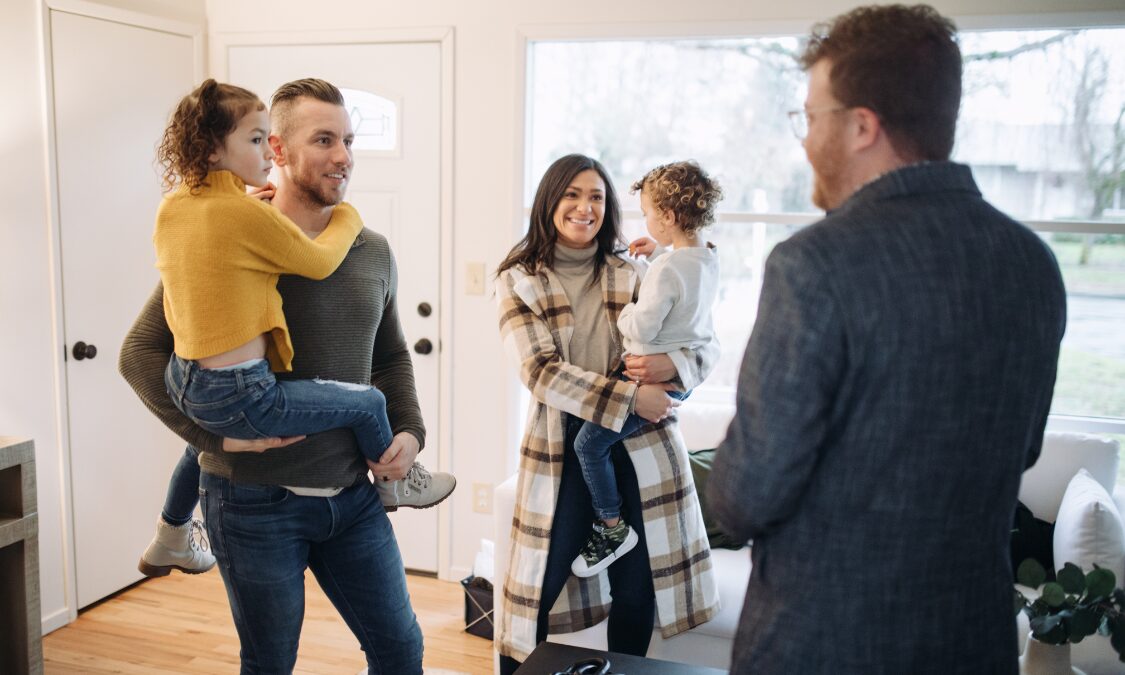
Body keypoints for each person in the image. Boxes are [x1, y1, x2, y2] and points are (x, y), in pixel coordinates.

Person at [708, 5, 1067, 674]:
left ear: (861, 126)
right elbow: (1021, 448)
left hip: (823, 643)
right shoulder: (1032, 264)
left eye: (811, 117)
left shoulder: (813, 264)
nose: (805, 137)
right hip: (972, 642)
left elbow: (743, 495)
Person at [120, 78, 429, 673]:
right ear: (278, 152)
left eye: (348, 140)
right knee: (269, 662)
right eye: (324, 140)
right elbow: (139, 354)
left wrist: (410, 433)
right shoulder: (227, 235)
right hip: (251, 505)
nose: (344, 156)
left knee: (400, 649)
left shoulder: (371, 250)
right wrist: (215, 439)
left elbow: (390, 356)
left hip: (353, 500)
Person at [494, 154, 720, 673]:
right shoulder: (517, 278)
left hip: (642, 444)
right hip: (564, 445)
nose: (584, 207)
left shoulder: (637, 268)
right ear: (550, 201)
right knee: (535, 592)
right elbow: (540, 373)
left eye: (596, 196)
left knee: (637, 590)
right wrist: (628, 398)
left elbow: (707, 345)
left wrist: (676, 363)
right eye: (572, 194)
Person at [568, 160, 722, 578]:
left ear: (668, 218)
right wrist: (660, 257)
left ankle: (611, 526)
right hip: (678, 383)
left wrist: (625, 310)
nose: (646, 221)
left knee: (588, 446)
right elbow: (686, 302)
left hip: (644, 378)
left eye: (649, 213)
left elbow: (642, 325)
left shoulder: (668, 271)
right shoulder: (706, 258)